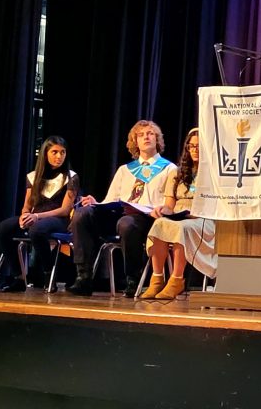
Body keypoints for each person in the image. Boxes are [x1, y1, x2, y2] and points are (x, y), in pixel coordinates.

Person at [68, 120, 177, 297]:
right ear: (135, 142)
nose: (146, 137)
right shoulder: (125, 170)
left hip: (147, 217)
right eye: (140, 135)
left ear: (157, 139)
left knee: (127, 223)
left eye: (150, 133)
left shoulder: (169, 169)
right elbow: (111, 199)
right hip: (119, 213)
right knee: (83, 213)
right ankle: (84, 276)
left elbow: (170, 203)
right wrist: (96, 203)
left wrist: (162, 209)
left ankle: (133, 279)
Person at [0, 136, 80, 292]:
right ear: (45, 154)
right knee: (4, 229)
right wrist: (24, 216)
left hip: (59, 219)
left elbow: (65, 210)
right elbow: (27, 205)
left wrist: (37, 217)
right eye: (54, 152)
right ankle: (18, 277)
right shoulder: (33, 177)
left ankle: (47, 273)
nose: (59, 156)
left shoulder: (70, 177)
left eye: (62, 152)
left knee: (37, 229)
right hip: (36, 217)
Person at [140, 128, 216, 300]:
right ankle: (157, 279)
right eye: (192, 146)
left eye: (199, 146)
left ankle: (176, 280)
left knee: (179, 229)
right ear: (187, 148)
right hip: (179, 216)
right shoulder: (177, 173)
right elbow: (169, 205)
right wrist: (162, 210)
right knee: (159, 223)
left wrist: (191, 214)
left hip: (202, 219)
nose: (195, 150)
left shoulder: (213, 174)